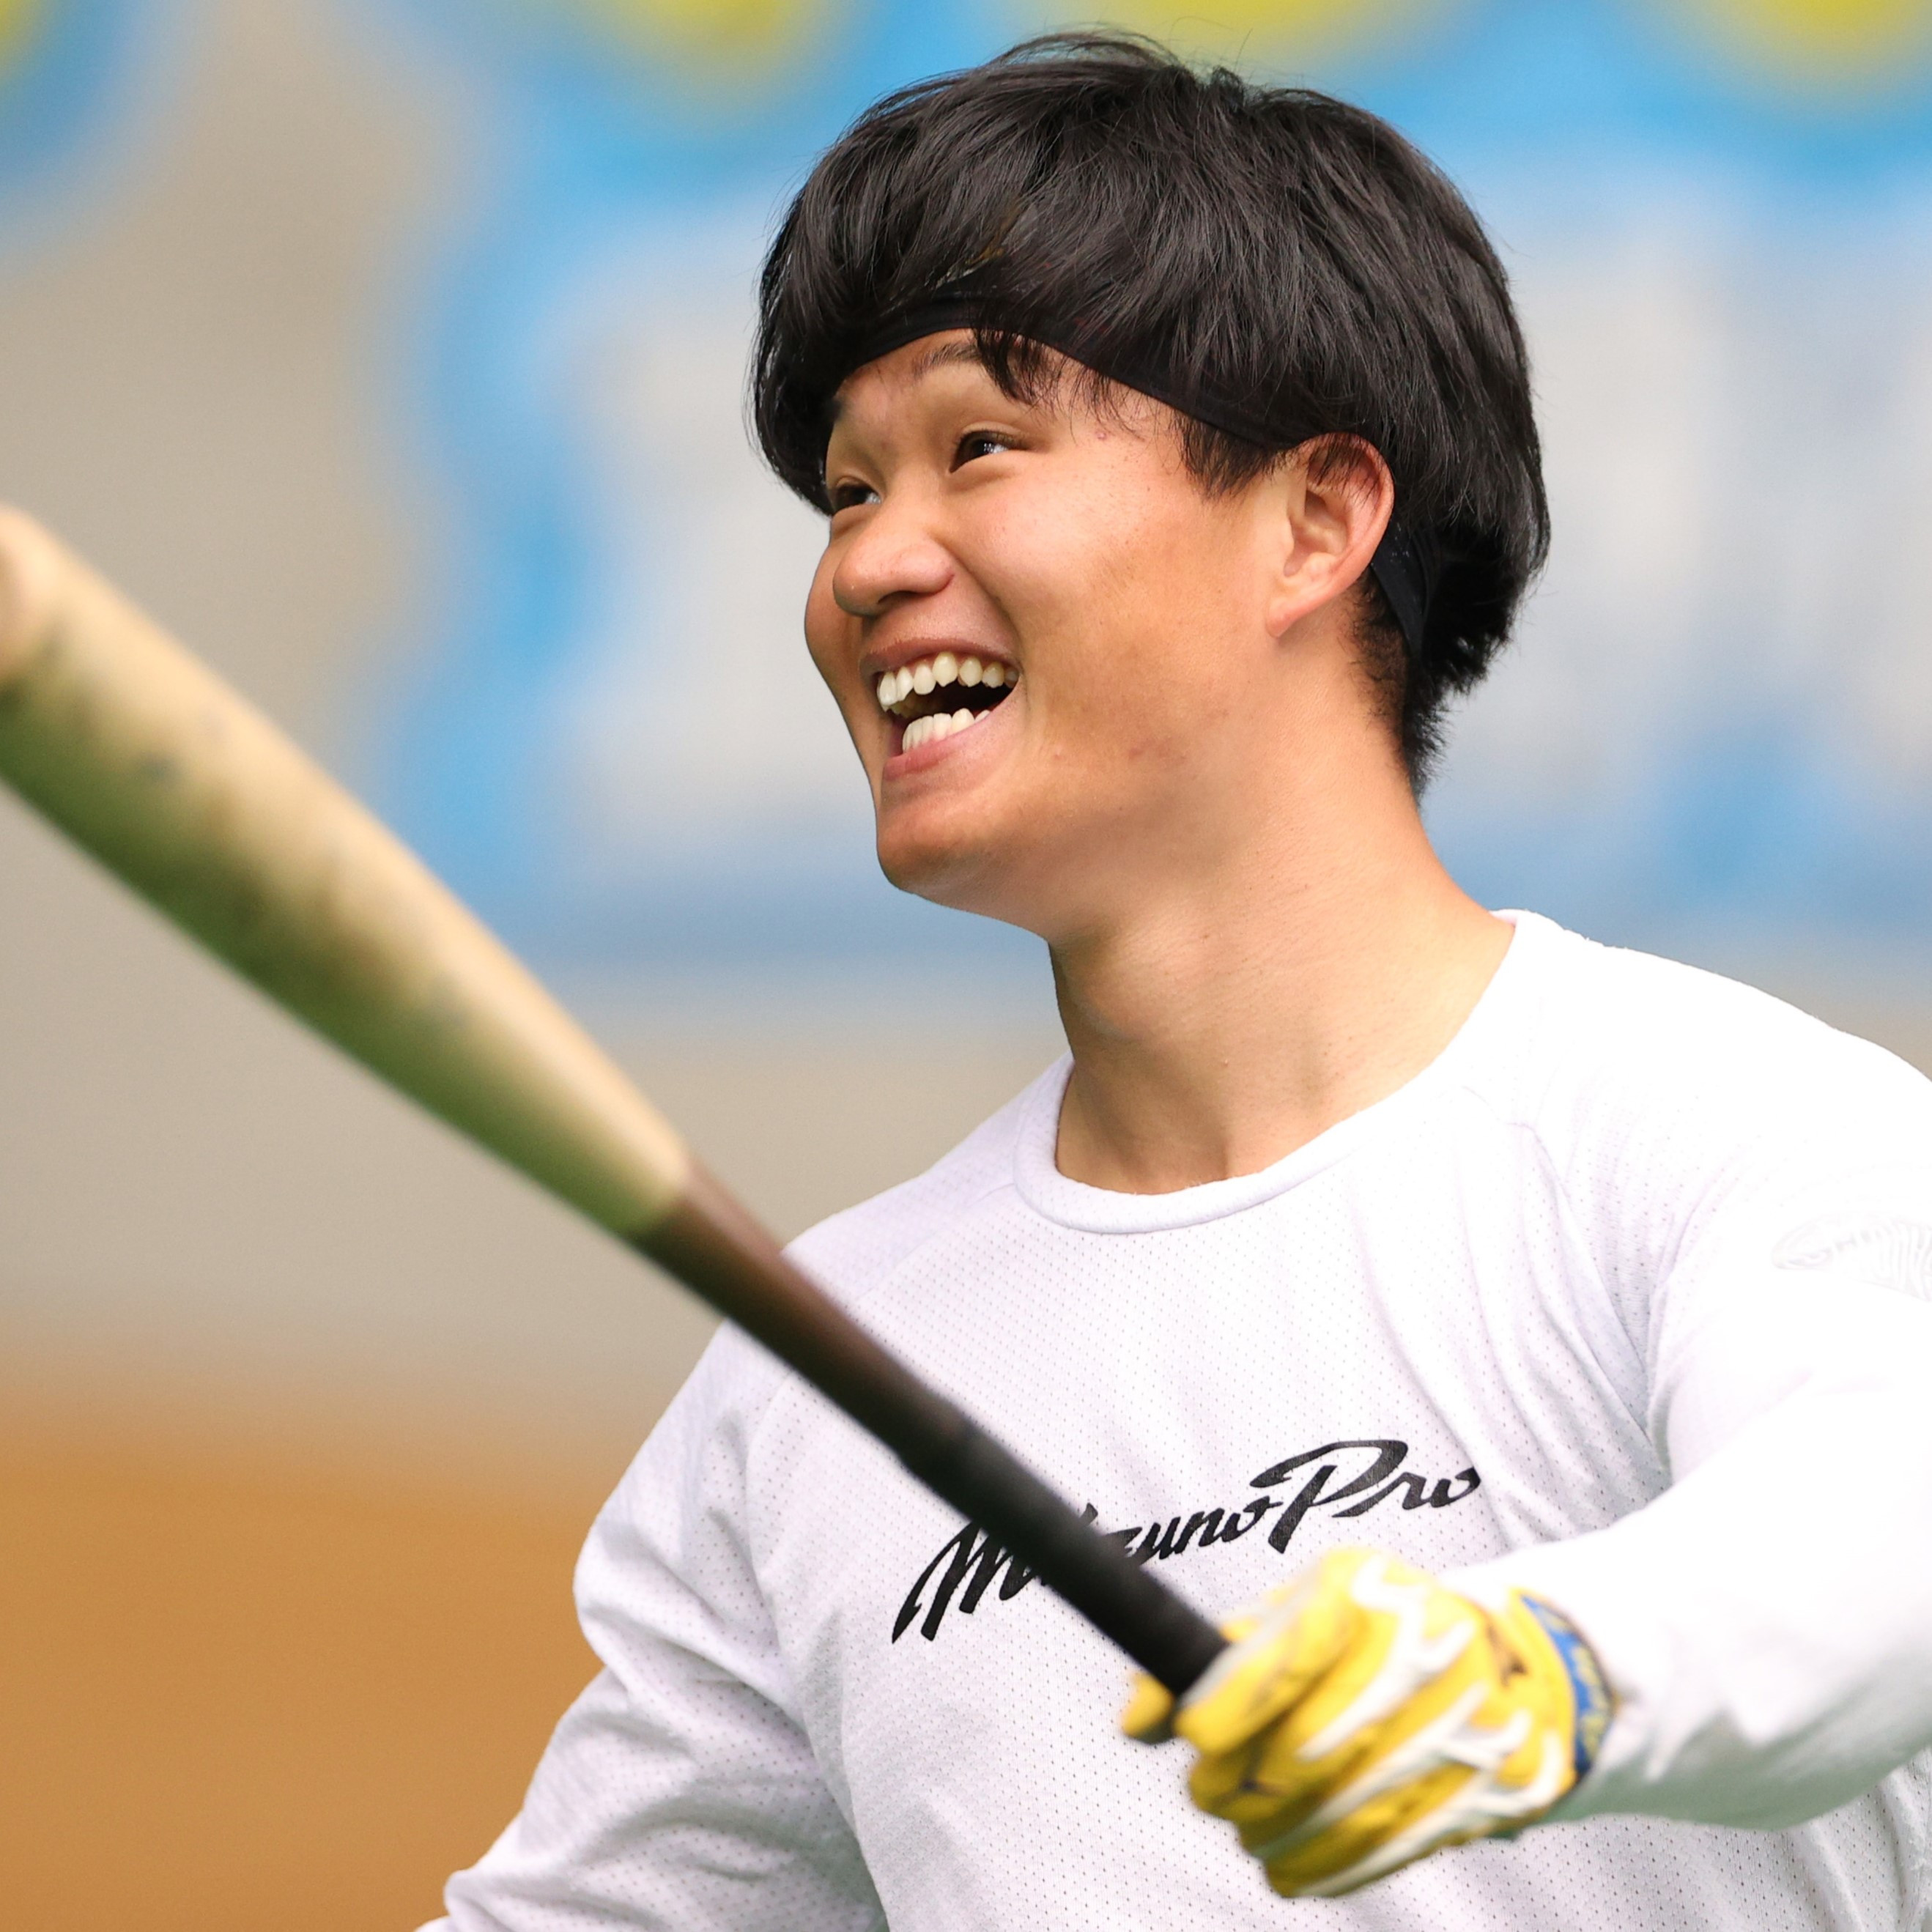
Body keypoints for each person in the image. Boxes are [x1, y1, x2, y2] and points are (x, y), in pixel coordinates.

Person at [432, 32, 1932, 1930]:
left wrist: (1534, 1670)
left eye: (980, 446)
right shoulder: (814, 1376)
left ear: (1317, 520)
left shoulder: (1731, 1136)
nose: (870, 564)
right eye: (843, 490)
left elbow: (1878, 1551)